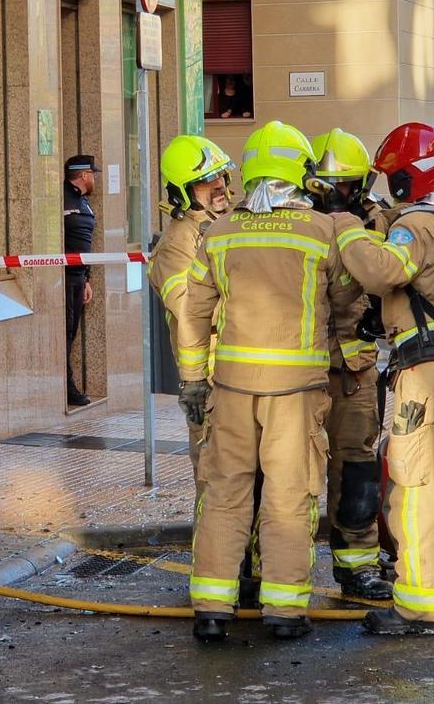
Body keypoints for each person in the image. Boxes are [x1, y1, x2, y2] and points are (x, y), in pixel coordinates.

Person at [177, 121, 356, 643]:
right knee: (288, 497)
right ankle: (283, 611)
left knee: (225, 493)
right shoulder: (321, 232)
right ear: (299, 174)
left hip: (230, 391)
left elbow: (193, 311)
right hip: (296, 394)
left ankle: (211, 610)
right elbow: (347, 302)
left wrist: (192, 381)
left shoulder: (220, 232)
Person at [331, 122, 434, 636]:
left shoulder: (417, 226)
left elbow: (384, 272)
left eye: (394, 177)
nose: (389, 186)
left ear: (411, 176)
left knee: (418, 488)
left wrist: (348, 229)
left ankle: (422, 608)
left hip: (430, 378)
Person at [309, 129, 393, 601]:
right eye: (327, 184)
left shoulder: (374, 222)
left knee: (357, 470)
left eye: (344, 185)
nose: (334, 194)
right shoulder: (299, 224)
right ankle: (279, 568)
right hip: (303, 369)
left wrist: (366, 225)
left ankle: (357, 565)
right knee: (288, 475)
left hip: (355, 370)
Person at [147, 135, 234, 490]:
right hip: (209, 380)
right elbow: (190, 310)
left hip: (241, 374)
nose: (218, 186)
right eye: (205, 181)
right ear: (183, 191)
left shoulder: (230, 224)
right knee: (216, 483)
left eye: (220, 177)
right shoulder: (177, 245)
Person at [63, 154, 100, 407]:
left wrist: (86, 278)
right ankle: (67, 388)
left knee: (72, 333)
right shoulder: (62, 197)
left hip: (77, 277)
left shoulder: (83, 201)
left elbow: (83, 245)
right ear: (84, 175)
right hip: (62, 278)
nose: (95, 178)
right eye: (93, 173)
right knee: (65, 334)